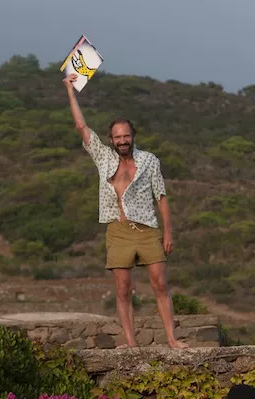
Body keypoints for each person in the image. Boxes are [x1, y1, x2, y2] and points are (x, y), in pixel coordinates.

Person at [63, 73, 189, 349]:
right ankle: (131, 343)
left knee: (160, 284)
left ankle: (171, 338)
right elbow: (81, 125)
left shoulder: (149, 161)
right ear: (111, 139)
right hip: (117, 230)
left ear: (133, 137)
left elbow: (162, 197)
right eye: (117, 137)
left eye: (126, 136)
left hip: (146, 228)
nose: (122, 140)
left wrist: (168, 232)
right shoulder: (103, 157)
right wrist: (71, 92)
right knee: (122, 289)